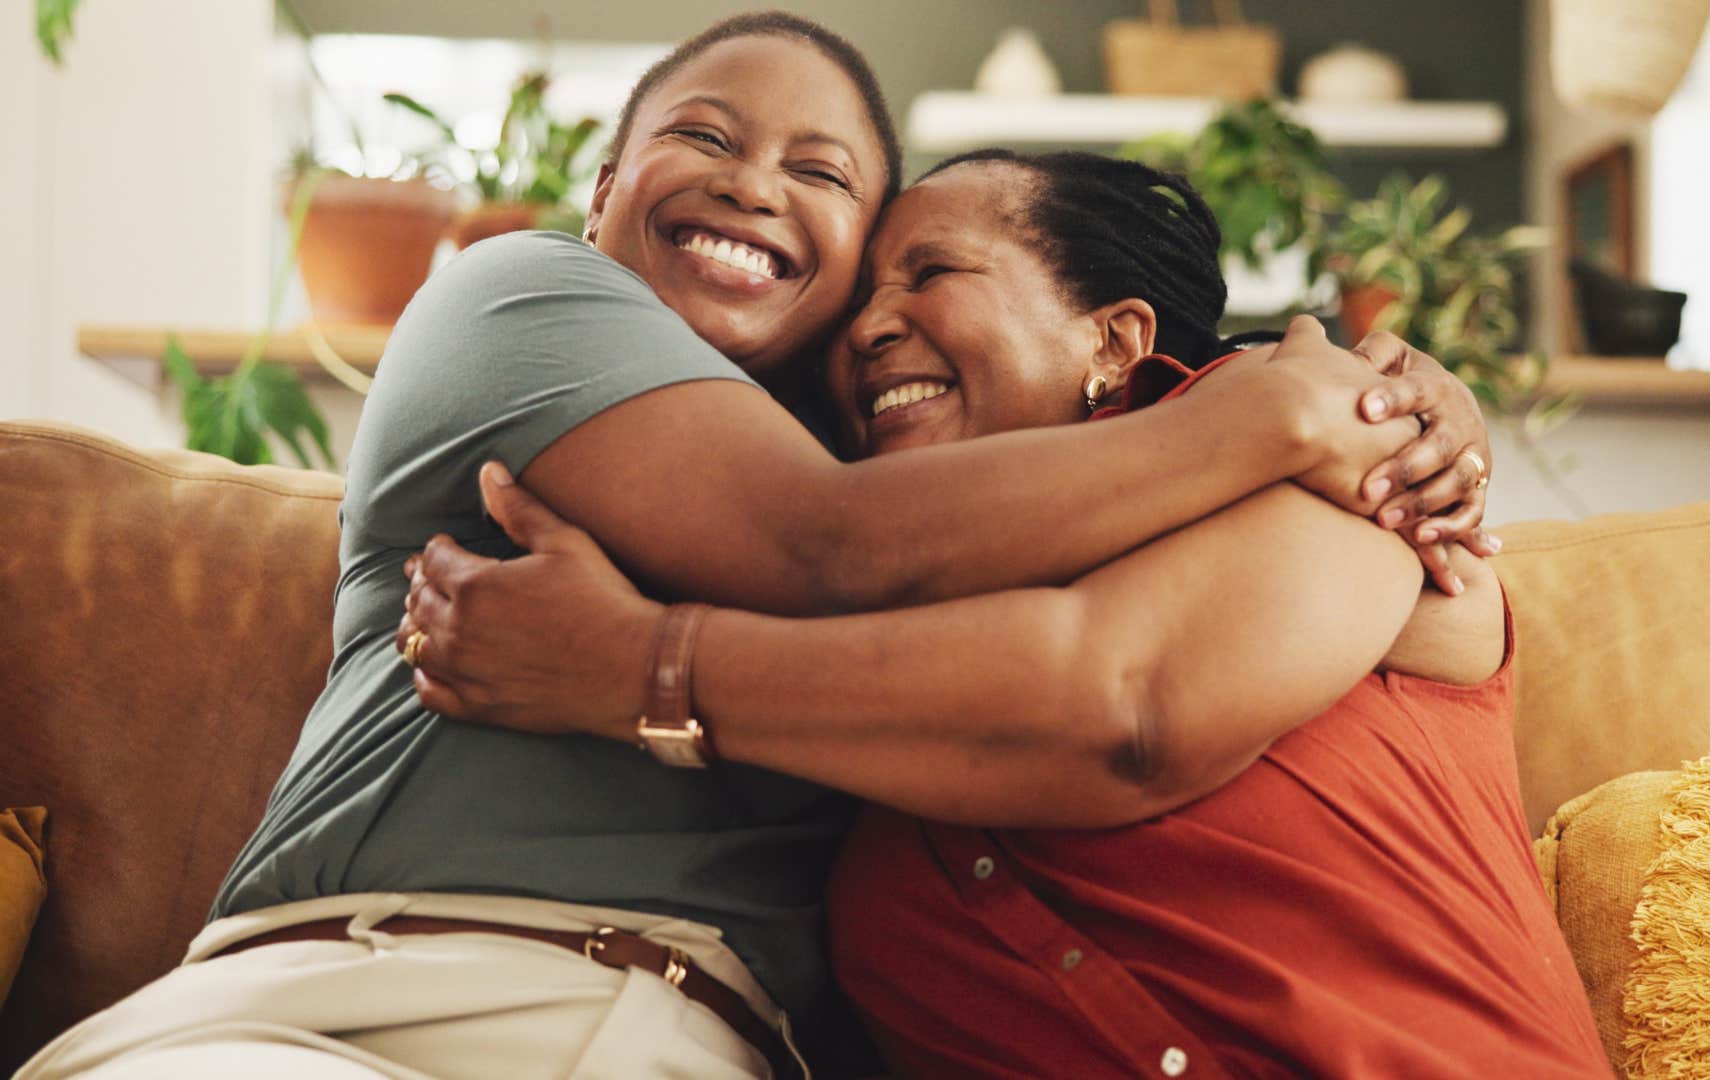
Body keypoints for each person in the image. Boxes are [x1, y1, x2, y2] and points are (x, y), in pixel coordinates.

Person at [15, 14, 1489, 1080]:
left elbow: (1107, 698)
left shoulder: (974, 501)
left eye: (828, 179)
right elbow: (823, 546)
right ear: (602, 194)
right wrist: (1307, 410)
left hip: (690, 1044)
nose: (753, 184)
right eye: (701, 138)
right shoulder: (528, 298)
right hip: (354, 996)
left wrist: (1377, 409)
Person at [395, 151, 1607, 1077]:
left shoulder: (1319, 438)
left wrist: (639, 671)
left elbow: (1127, 708)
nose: (868, 328)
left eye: (932, 274)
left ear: (1114, 336)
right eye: (859, 299)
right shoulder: (862, 693)